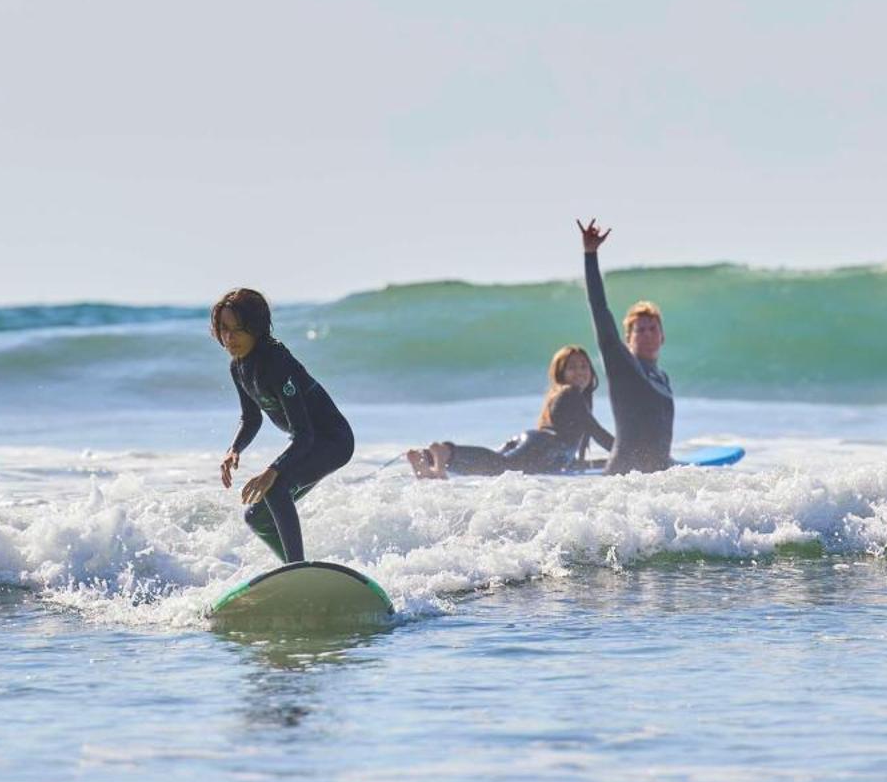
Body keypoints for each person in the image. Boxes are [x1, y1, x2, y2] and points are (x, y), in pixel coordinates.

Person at [213, 287, 355, 564]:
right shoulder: (239, 366)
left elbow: (304, 434)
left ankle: (298, 569)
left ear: (256, 328)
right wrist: (235, 448)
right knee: (256, 518)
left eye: (238, 329)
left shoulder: (276, 362)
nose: (230, 338)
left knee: (277, 488)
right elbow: (251, 417)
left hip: (334, 441)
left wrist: (272, 470)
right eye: (224, 329)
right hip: (310, 442)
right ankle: (294, 573)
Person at [405, 345, 615, 479]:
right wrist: (628, 451)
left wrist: (606, 461)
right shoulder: (571, 394)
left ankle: (428, 459)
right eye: (572, 367)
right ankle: (446, 452)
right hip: (543, 445)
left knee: (496, 466)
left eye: (584, 367)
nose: (580, 372)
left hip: (534, 442)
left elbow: (573, 460)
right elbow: (596, 431)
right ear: (561, 374)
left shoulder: (560, 395)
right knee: (501, 466)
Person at [577, 219, 674, 473]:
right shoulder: (625, 367)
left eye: (653, 328)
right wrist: (591, 254)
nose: (647, 334)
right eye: (639, 330)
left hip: (654, 482)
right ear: (628, 339)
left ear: (663, 336)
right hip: (623, 482)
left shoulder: (662, 377)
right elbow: (600, 309)